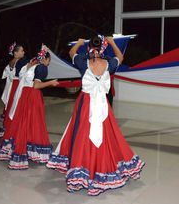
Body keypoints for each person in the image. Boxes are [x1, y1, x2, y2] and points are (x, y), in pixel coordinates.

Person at [46, 35, 145, 196]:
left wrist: (78, 43)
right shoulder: (108, 64)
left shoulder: (82, 63)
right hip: (102, 105)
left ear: (89, 48)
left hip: (86, 104)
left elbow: (71, 52)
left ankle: (82, 169)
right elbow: (120, 57)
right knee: (107, 135)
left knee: (82, 135)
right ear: (102, 49)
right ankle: (102, 166)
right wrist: (112, 42)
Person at [0, 45, 59, 169]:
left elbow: (23, 78)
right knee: (35, 122)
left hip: (23, 96)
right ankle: (32, 151)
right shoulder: (42, 68)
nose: (49, 62)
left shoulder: (31, 66)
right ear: (45, 59)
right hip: (33, 96)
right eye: (49, 60)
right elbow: (36, 86)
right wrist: (51, 83)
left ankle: (19, 147)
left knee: (23, 123)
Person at [0, 42, 28, 138]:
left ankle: (9, 128)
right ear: (15, 53)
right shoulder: (21, 61)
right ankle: (12, 129)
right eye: (21, 50)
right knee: (14, 106)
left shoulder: (12, 62)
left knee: (11, 106)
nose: (23, 52)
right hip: (16, 86)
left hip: (13, 86)